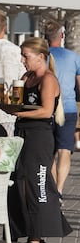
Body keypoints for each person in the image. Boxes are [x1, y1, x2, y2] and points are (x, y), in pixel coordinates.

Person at [9, 37, 72, 243]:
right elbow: (18, 102)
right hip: (23, 134)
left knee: (37, 186)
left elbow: (46, 112)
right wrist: (5, 102)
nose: (22, 59)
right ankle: (38, 238)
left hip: (39, 137)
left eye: (26, 55)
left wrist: (19, 113)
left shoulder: (48, 79)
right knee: (21, 184)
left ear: (40, 57)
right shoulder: (27, 78)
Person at [44, 20, 80, 204]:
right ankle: (58, 190)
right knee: (64, 150)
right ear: (62, 36)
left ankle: (51, 190)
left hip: (47, 108)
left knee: (49, 151)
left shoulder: (42, 57)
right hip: (69, 109)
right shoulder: (74, 57)